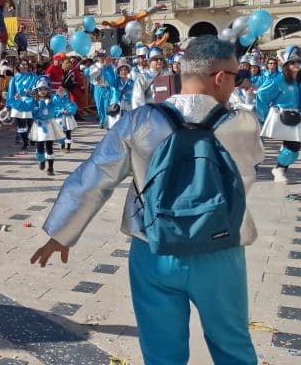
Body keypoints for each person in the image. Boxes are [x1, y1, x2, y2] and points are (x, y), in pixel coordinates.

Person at [32, 35, 263, 365]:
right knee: (233, 347)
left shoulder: (140, 121)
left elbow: (95, 176)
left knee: (161, 352)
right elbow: (251, 167)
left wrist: (62, 233)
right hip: (220, 248)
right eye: (236, 77)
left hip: (153, 247)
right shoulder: (242, 124)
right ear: (220, 77)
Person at [256, 46, 301, 183]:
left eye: (298, 62)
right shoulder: (279, 79)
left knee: (294, 147)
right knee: (292, 146)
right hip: (282, 116)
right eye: (292, 62)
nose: (296, 65)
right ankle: (279, 170)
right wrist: (264, 114)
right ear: (286, 65)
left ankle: (279, 169)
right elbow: (262, 94)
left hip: (296, 116)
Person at [54, 86, 79, 152]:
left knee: (68, 133)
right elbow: (53, 109)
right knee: (61, 133)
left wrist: (68, 111)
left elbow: (73, 106)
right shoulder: (55, 100)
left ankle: (68, 147)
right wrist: (59, 111)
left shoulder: (68, 99)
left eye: (62, 91)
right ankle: (62, 145)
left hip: (68, 118)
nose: (61, 92)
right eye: (59, 91)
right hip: (59, 119)